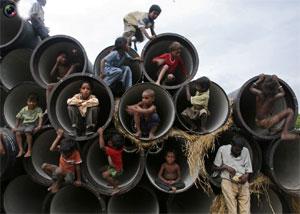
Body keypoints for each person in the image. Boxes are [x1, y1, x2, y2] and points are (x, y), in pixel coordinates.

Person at [249, 74, 300, 140]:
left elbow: (251, 88)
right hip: (266, 122)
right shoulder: (273, 97)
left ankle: (275, 130)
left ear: (264, 87)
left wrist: (259, 80)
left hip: (259, 121)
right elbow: (283, 93)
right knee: (289, 111)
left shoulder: (260, 94)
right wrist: (277, 82)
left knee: (271, 113)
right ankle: (285, 132)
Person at [212, 136, 252, 214]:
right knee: (232, 209)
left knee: (246, 211)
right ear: (231, 145)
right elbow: (213, 168)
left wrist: (246, 176)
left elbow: (248, 169)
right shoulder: (222, 150)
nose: (238, 152)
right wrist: (226, 167)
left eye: (240, 150)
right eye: (236, 150)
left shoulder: (245, 151)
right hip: (228, 181)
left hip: (242, 182)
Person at [41, 128, 82, 193]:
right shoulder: (63, 149)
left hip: (69, 173)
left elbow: (78, 167)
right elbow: (52, 149)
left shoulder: (76, 154)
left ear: (72, 151)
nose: (63, 154)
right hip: (60, 169)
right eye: (62, 152)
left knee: (69, 181)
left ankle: (57, 182)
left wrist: (79, 180)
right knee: (44, 166)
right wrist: (59, 136)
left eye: (65, 153)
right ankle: (56, 181)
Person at [12, 93, 43, 158]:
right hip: (24, 124)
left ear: (36, 103)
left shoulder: (38, 109)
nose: (31, 103)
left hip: (33, 124)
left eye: (34, 102)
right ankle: (21, 149)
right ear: (27, 102)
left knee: (27, 132)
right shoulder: (24, 109)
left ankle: (29, 150)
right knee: (17, 132)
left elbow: (40, 117)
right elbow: (18, 117)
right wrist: (15, 127)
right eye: (30, 101)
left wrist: (39, 125)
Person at [97, 127, 124, 195]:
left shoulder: (113, 152)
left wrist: (101, 133)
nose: (109, 142)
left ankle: (116, 187)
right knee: (101, 170)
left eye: (111, 142)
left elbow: (102, 146)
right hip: (116, 168)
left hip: (116, 170)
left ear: (114, 147)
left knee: (104, 175)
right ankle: (114, 181)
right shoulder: (119, 148)